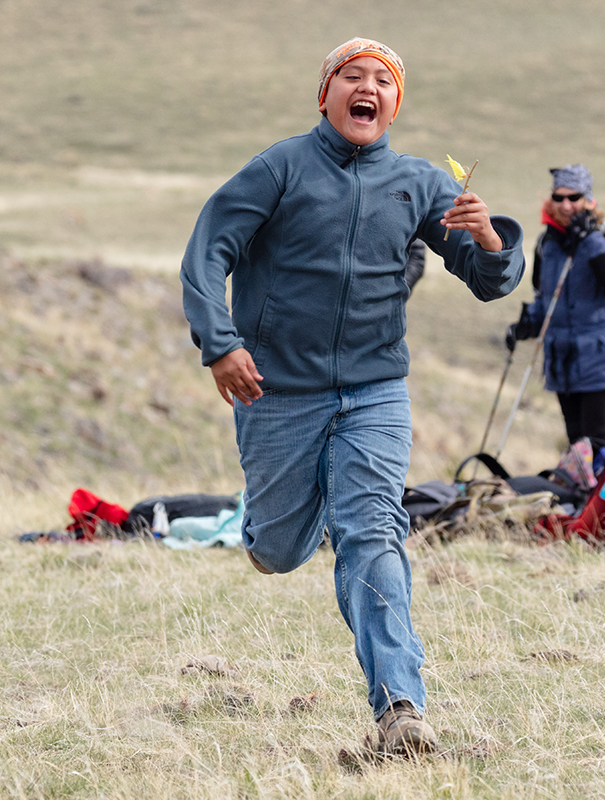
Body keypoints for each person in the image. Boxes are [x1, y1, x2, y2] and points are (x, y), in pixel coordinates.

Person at [181, 38, 525, 756]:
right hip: (276, 389)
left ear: (394, 104)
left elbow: (490, 279)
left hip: (374, 391)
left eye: (383, 81)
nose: (367, 88)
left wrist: (493, 241)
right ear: (325, 94)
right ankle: (282, 530)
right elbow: (208, 248)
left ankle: (400, 708)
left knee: (372, 531)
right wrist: (221, 344)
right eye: (352, 76)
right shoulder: (280, 167)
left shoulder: (420, 183)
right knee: (277, 550)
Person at [508, 165, 605, 457]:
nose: (566, 205)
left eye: (574, 197)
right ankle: (581, 499)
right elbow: (545, 297)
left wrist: (589, 238)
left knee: (597, 442)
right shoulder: (547, 242)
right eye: (559, 197)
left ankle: (599, 501)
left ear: (588, 199)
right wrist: (525, 325)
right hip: (563, 359)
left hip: (602, 357)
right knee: (576, 444)